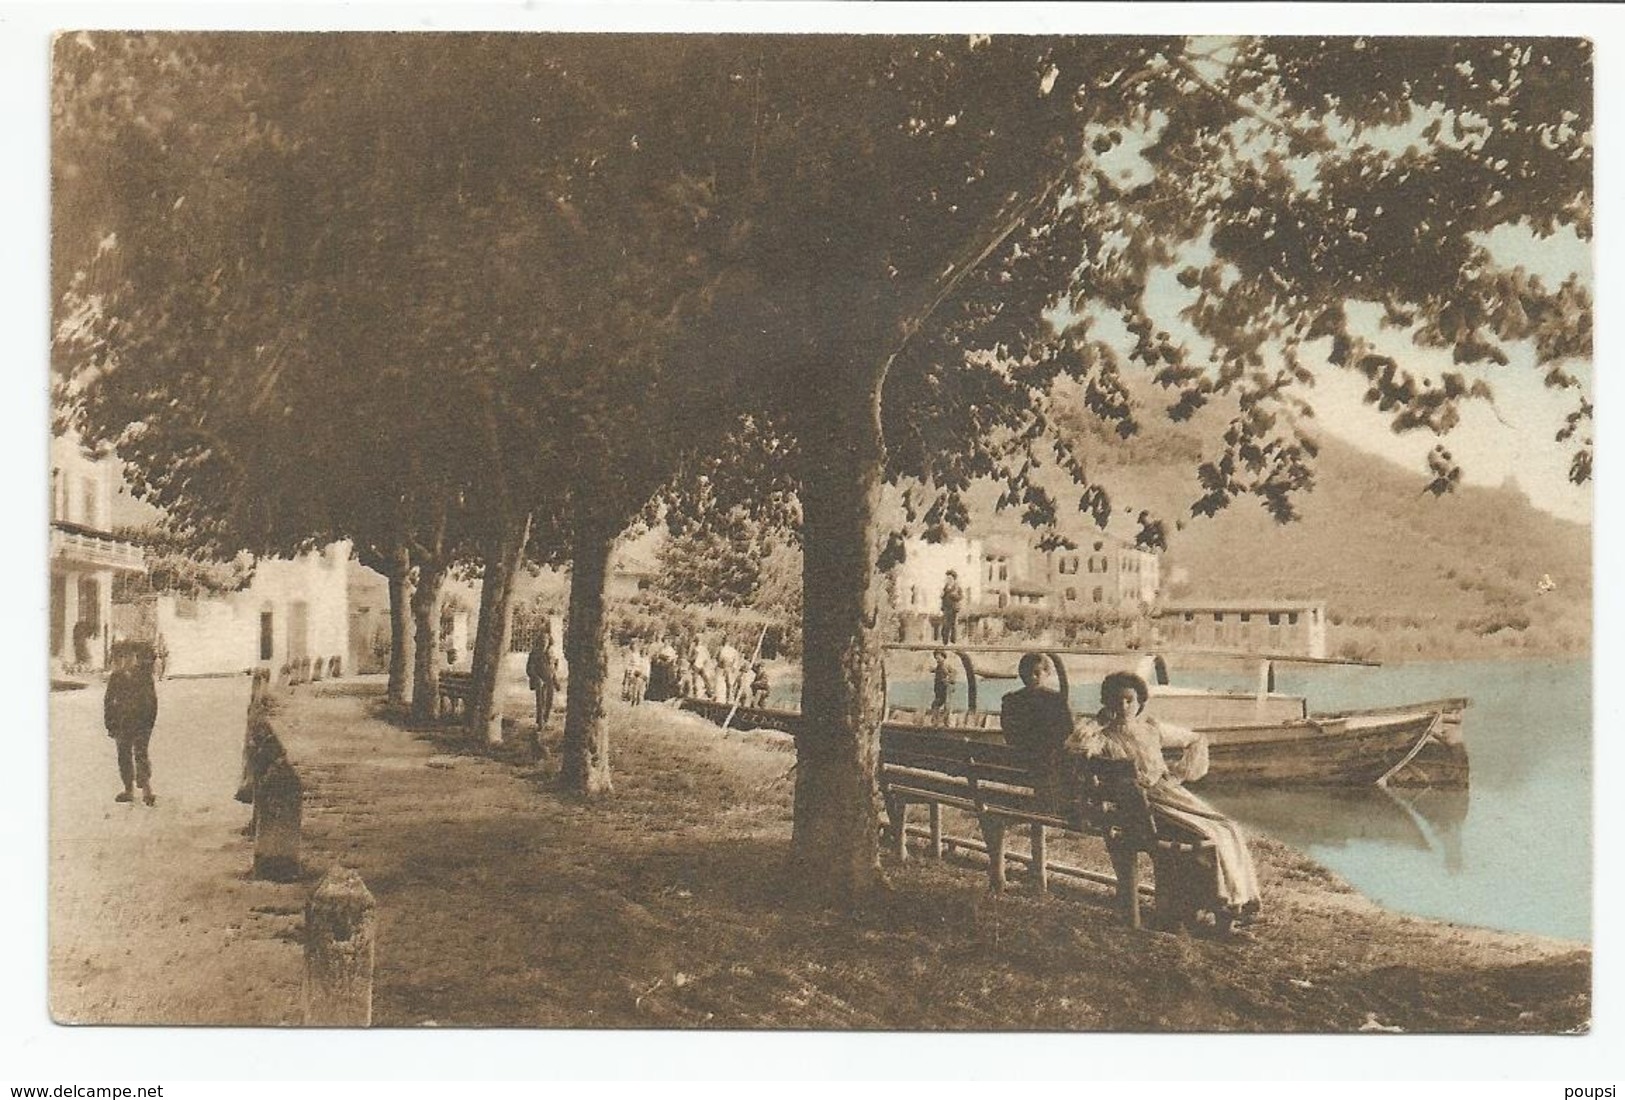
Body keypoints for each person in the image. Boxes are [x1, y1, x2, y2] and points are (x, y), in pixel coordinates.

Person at [1068, 671, 1262, 934]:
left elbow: (1195, 739)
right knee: (1210, 834)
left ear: (1140, 702)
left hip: (1167, 794)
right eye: (1117, 701)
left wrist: (1178, 774)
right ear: (1107, 703)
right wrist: (1095, 723)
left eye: (1129, 700)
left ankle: (1237, 905)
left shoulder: (1151, 727)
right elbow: (1073, 750)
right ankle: (1221, 911)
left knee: (1228, 826)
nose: (1124, 707)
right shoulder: (1102, 737)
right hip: (1143, 807)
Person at [104, 641, 158, 806]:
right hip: (122, 722)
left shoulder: (143, 676)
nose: (124, 661)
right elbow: (108, 701)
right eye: (120, 658)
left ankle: (146, 787)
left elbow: (152, 700)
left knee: (141, 753)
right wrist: (110, 723)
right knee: (124, 755)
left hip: (141, 721)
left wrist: (150, 720)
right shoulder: (116, 677)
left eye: (127, 656)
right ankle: (128, 789)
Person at [999, 653, 1074, 771]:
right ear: (1048, 673)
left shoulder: (1011, 700)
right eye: (1030, 673)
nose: (1032, 677)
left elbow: (1009, 733)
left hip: (1018, 760)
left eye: (1036, 673)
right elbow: (1068, 729)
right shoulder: (1056, 700)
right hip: (1047, 763)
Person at [526, 621, 561, 730]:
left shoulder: (551, 654)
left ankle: (546, 719)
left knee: (549, 701)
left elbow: (553, 668)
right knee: (540, 701)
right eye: (541, 642)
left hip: (549, 681)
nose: (543, 644)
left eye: (545, 642)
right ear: (538, 642)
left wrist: (556, 681)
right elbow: (529, 669)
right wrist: (536, 678)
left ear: (549, 642)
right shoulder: (535, 654)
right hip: (539, 682)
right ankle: (540, 722)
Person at [939, 570, 963, 645]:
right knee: (945, 625)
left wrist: (954, 596)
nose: (948, 580)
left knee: (953, 625)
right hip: (946, 608)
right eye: (947, 578)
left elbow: (961, 597)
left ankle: (953, 642)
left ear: (953, 579)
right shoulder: (945, 587)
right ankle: (945, 642)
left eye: (950, 578)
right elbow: (943, 597)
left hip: (953, 609)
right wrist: (942, 596)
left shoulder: (957, 587)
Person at [930, 650, 955, 714]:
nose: (937, 660)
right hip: (938, 687)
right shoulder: (939, 666)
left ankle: (944, 718)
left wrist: (949, 680)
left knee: (945, 703)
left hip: (944, 687)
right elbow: (939, 672)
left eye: (938, 658)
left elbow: (953, 673)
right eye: (936, 658)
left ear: (943, 657)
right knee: (936, 703)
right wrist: (933, 670)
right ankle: (936, 717)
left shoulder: (946, 665)